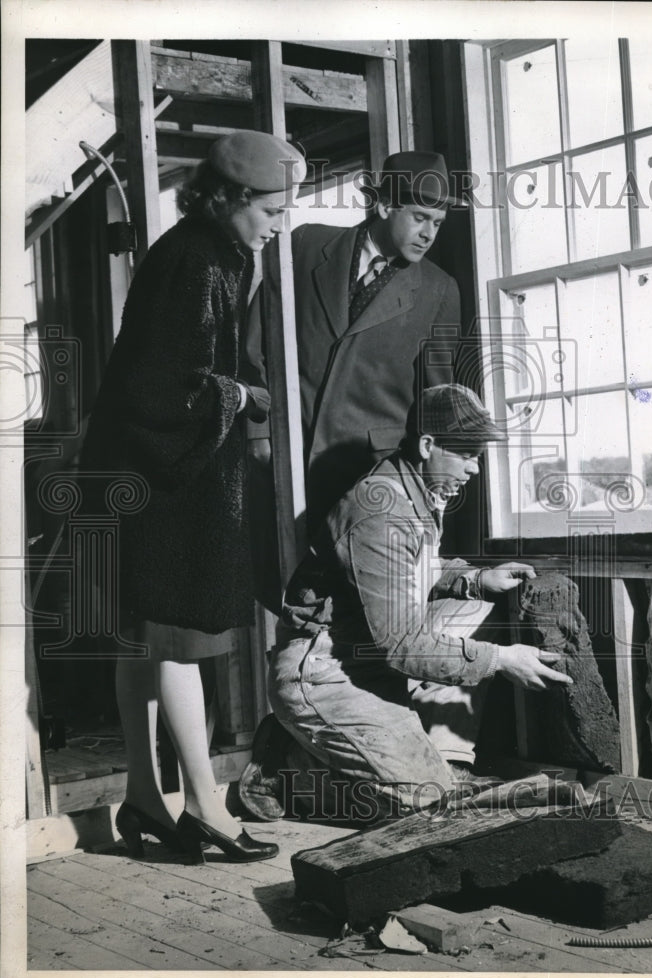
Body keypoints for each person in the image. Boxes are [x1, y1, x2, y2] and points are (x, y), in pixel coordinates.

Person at [79, 130, 306, 862]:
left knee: (149, 639)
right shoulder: (197, 259)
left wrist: (236, 396)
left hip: (149, 474)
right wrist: (240, 394)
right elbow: (156, 387)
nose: (279, 222)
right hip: (165, 483)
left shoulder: (207, 252)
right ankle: (208, 805)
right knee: (179, 639)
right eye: (272, 208)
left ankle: (146, 798)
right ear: (234, 197)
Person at [238, 384, 572, 823]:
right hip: (322, 672)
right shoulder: (381, 510)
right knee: (425, 804)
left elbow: (412, 573)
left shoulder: (412, 488)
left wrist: (473, 578)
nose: (474, 469)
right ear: (428, 445)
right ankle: (290, 769)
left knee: (481, 604)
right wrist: (501, 660)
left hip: (368, 653)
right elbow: (403, 646)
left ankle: (445, 761)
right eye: (466, 455)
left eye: (478, 457)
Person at [243, 150, 464, 546]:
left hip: (368, 482)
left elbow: (435, 402)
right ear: (383, 206)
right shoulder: (306, 245)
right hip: (283, 460)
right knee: (277, 589)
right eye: (419, 217)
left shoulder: (439, 290)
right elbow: (253, 343)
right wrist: (257, 432)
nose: (430, 234)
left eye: (439, 223)